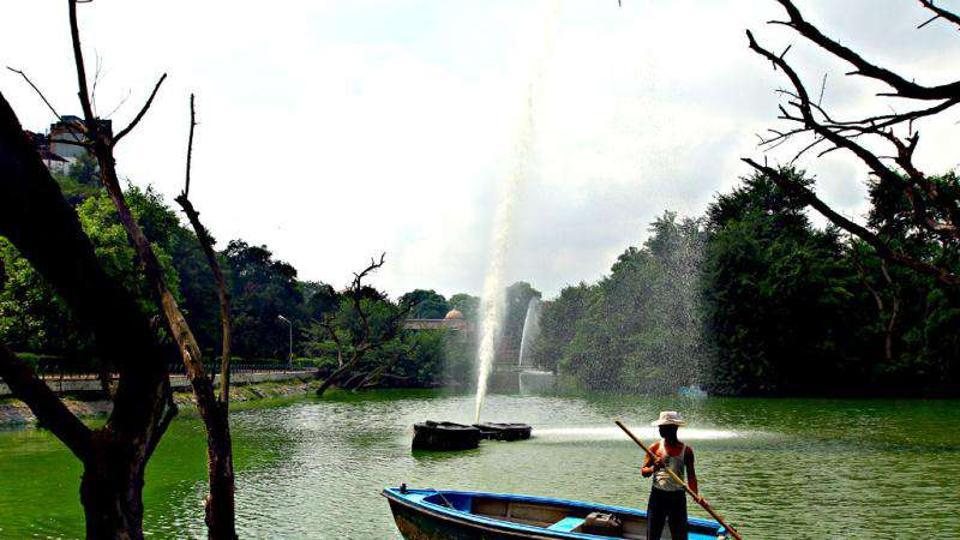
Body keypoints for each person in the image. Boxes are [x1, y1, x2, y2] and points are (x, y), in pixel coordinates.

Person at [641, 411, 701, 540]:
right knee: (653, 535)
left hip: (677, 497)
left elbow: (691, 476)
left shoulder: (687, 451)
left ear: (674, 428)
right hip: (658, 496)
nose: (660, 430)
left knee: (679, 535)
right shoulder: (655, 447)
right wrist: (654, 468)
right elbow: (644, 472)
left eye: (664, 427)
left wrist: (696, 495)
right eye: (660, 427)